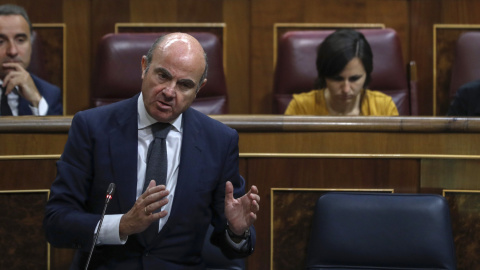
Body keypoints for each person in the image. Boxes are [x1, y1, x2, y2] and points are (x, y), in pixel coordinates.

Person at [43, 33, 260, 269]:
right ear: (144, 66)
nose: (169, 91)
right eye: (163, 76)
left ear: (199, 88)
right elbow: (56, 222)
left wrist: (237, 231)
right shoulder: (92, 127)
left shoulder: (219, 141)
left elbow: (230, 244)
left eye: (184, 84)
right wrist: (122, 225)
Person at [284, 29, 398, 116]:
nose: (346, 89)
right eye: (337, 79)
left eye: (354, 79)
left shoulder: (384, 108)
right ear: (324, 76)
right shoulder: (300, 108)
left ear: (367, 75)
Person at [0, 4, 62, 116]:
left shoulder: (49, 94)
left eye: (20, 40)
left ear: (31, 44)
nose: (12, 51)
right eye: (1, 42)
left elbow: (56, 133)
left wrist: (36, 101)